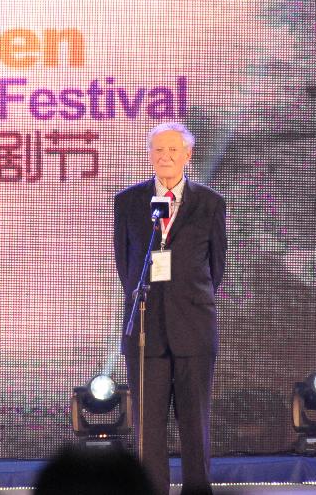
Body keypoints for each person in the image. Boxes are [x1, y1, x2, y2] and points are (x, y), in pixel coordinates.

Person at [113, 122, 227, 495]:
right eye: (158, 150)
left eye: (173, 150)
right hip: (147, 328)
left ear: (188, 156)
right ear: (149, 155)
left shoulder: (209, 203)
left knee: (194, 422)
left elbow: (217, 266)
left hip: (193, 325)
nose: (165, 157)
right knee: (149, 425)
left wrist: (188, 297)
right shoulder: (129, 202)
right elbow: (125, 263)